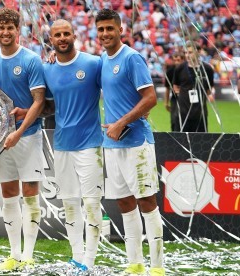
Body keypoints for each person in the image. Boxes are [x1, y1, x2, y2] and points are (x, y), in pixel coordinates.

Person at [96, 9, 164, 276]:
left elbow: (151, 98)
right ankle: (135, 263)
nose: (105, 34)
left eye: (109, 29)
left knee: (147, 201)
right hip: (112, 145)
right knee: (125, 203)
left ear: (120, 29)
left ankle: (157, 267)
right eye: (100, 29)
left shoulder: (132, 58)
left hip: (136, 142)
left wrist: (122, 122)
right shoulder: (102, 59)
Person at [0, 8, 46, 271]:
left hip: (28, 135)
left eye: (11, 27)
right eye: (1, 27)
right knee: (9, 194)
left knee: (30, 194)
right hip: (0, 140)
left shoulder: (31, 60)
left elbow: (39, 101)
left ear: (17, 30)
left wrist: (18, 132)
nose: (6, 32)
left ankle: (29, 254)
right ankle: (15, 254)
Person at [42, 19, 103, 271]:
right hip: (62, 143)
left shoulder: (92, 63)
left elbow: (112, 87)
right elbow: (47, 105)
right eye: (58, 34)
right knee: (69, 202)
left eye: (67, 33)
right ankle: (77, 255)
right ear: (51, 40)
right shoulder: (48, 69)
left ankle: (89, 260)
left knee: (90, 202)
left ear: (74, 35)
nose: (63, 37)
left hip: (90, 142)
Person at [173, 42, 214, 132]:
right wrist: (184, 96)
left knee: (200, 143)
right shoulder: (179, 68)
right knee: (181, 142)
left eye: (190, 52)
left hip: (200, 115)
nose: (187, 55)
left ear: (198, 52)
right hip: (182, 114)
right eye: (185, 52)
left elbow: (209, 89)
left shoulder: (207, 69)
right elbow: (175, 87)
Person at [164, 52, 185, 131]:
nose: (176, 62)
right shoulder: (169, 72)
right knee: (174, 120)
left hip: (186, 99)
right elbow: (167, 88)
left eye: (178, 60)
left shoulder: (187, 71)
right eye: (175, 60)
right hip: (174, 99)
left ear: (183, 60)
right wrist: (166, 102)